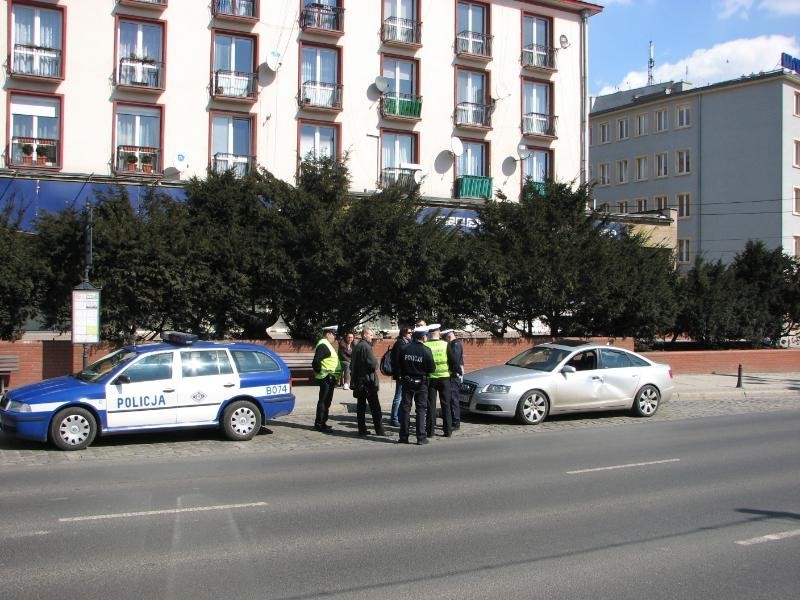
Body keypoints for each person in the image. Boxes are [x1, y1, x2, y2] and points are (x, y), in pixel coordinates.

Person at [397, 325, 436, 445]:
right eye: (426, 335)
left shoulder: (404, 348)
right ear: (422, 336)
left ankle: (404, 436)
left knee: (405, 409)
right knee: (421, 410)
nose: (427, 337)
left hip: (407, 382)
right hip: (421, 384)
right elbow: (432, 369)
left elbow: (399, 365)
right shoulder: (426, 350)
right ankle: (421, 437)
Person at [350, 327, 386, 437]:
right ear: (365, 335)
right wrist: (376, 362)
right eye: (370, 335)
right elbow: (373, 364)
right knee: (375, 407)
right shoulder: (366, 347)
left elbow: (352, 365)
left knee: (361, 407)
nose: (372, 337)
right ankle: (379, 430)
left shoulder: (356, 346)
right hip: (368, 381)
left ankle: (362, 429)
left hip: (359, 380)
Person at [423, 324, 453, 438]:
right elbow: (453, 361)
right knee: (446, 404)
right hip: (445, 377)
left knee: (431, 405)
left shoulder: (425, 345)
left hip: (431, 379)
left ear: (430, 333)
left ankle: (430, 432)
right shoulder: (445, 344)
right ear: (438, 333)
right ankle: (448, 430)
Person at [312, 325, 342, 432]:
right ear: (328, 334)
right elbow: (316, 362)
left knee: (326, 401)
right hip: (326, 378)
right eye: (334, 335)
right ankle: (319, 424)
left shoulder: (327, 345)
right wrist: (323, 373)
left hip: (329, 378)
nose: (334, 337)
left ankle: (323, 422)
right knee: (324, 401)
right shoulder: (323, 345)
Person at [389, 325, 412, 427]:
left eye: (411, 332)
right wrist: (398, 374)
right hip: (401, 374)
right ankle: (394, 418)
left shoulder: (407, 342)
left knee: (403, 397)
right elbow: (397, 360)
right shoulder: (399, 343)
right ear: (403, 333)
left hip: (406, 374)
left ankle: (400, 417)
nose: (411, 334)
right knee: (398, 397)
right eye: (409, 333)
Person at [441, 329, 464, 430]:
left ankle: (456, 421)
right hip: (453, 375)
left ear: (449, 337)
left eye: (446, 339)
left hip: (454, 376)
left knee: (453, 399)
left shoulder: (455, 345)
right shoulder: (454, 344)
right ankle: (453, 420)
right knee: (451, 398)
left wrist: (455, 372)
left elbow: (454, 361)